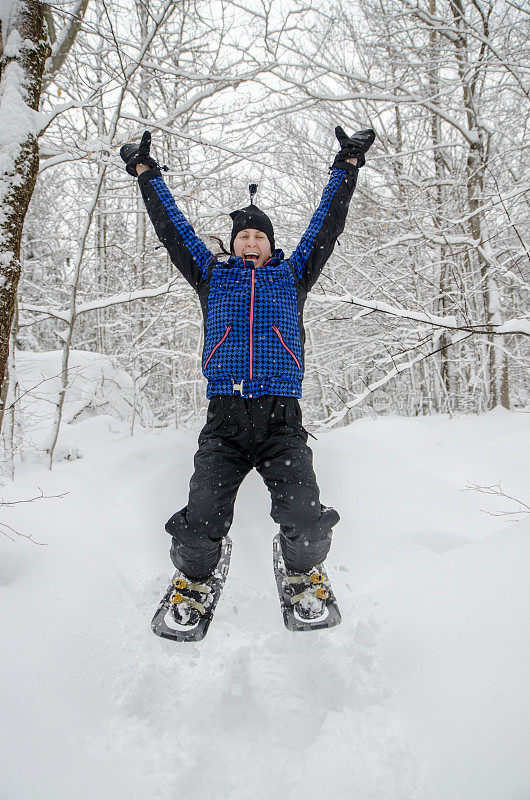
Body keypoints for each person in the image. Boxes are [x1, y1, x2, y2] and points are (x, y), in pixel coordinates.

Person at [121, 125, 375, 622]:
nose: (252, 241)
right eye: (244, 235)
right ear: (235, 244)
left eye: (260, 235)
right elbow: (172, 227)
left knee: (307, 518)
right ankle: (194, 582)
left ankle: (303, 573)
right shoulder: (212, 275)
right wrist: (146, 174)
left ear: (270, 244)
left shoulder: (292, 273)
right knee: (199, 523)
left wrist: (346, 166)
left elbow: (327, 225)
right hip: (226, 423)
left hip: (282, 422)